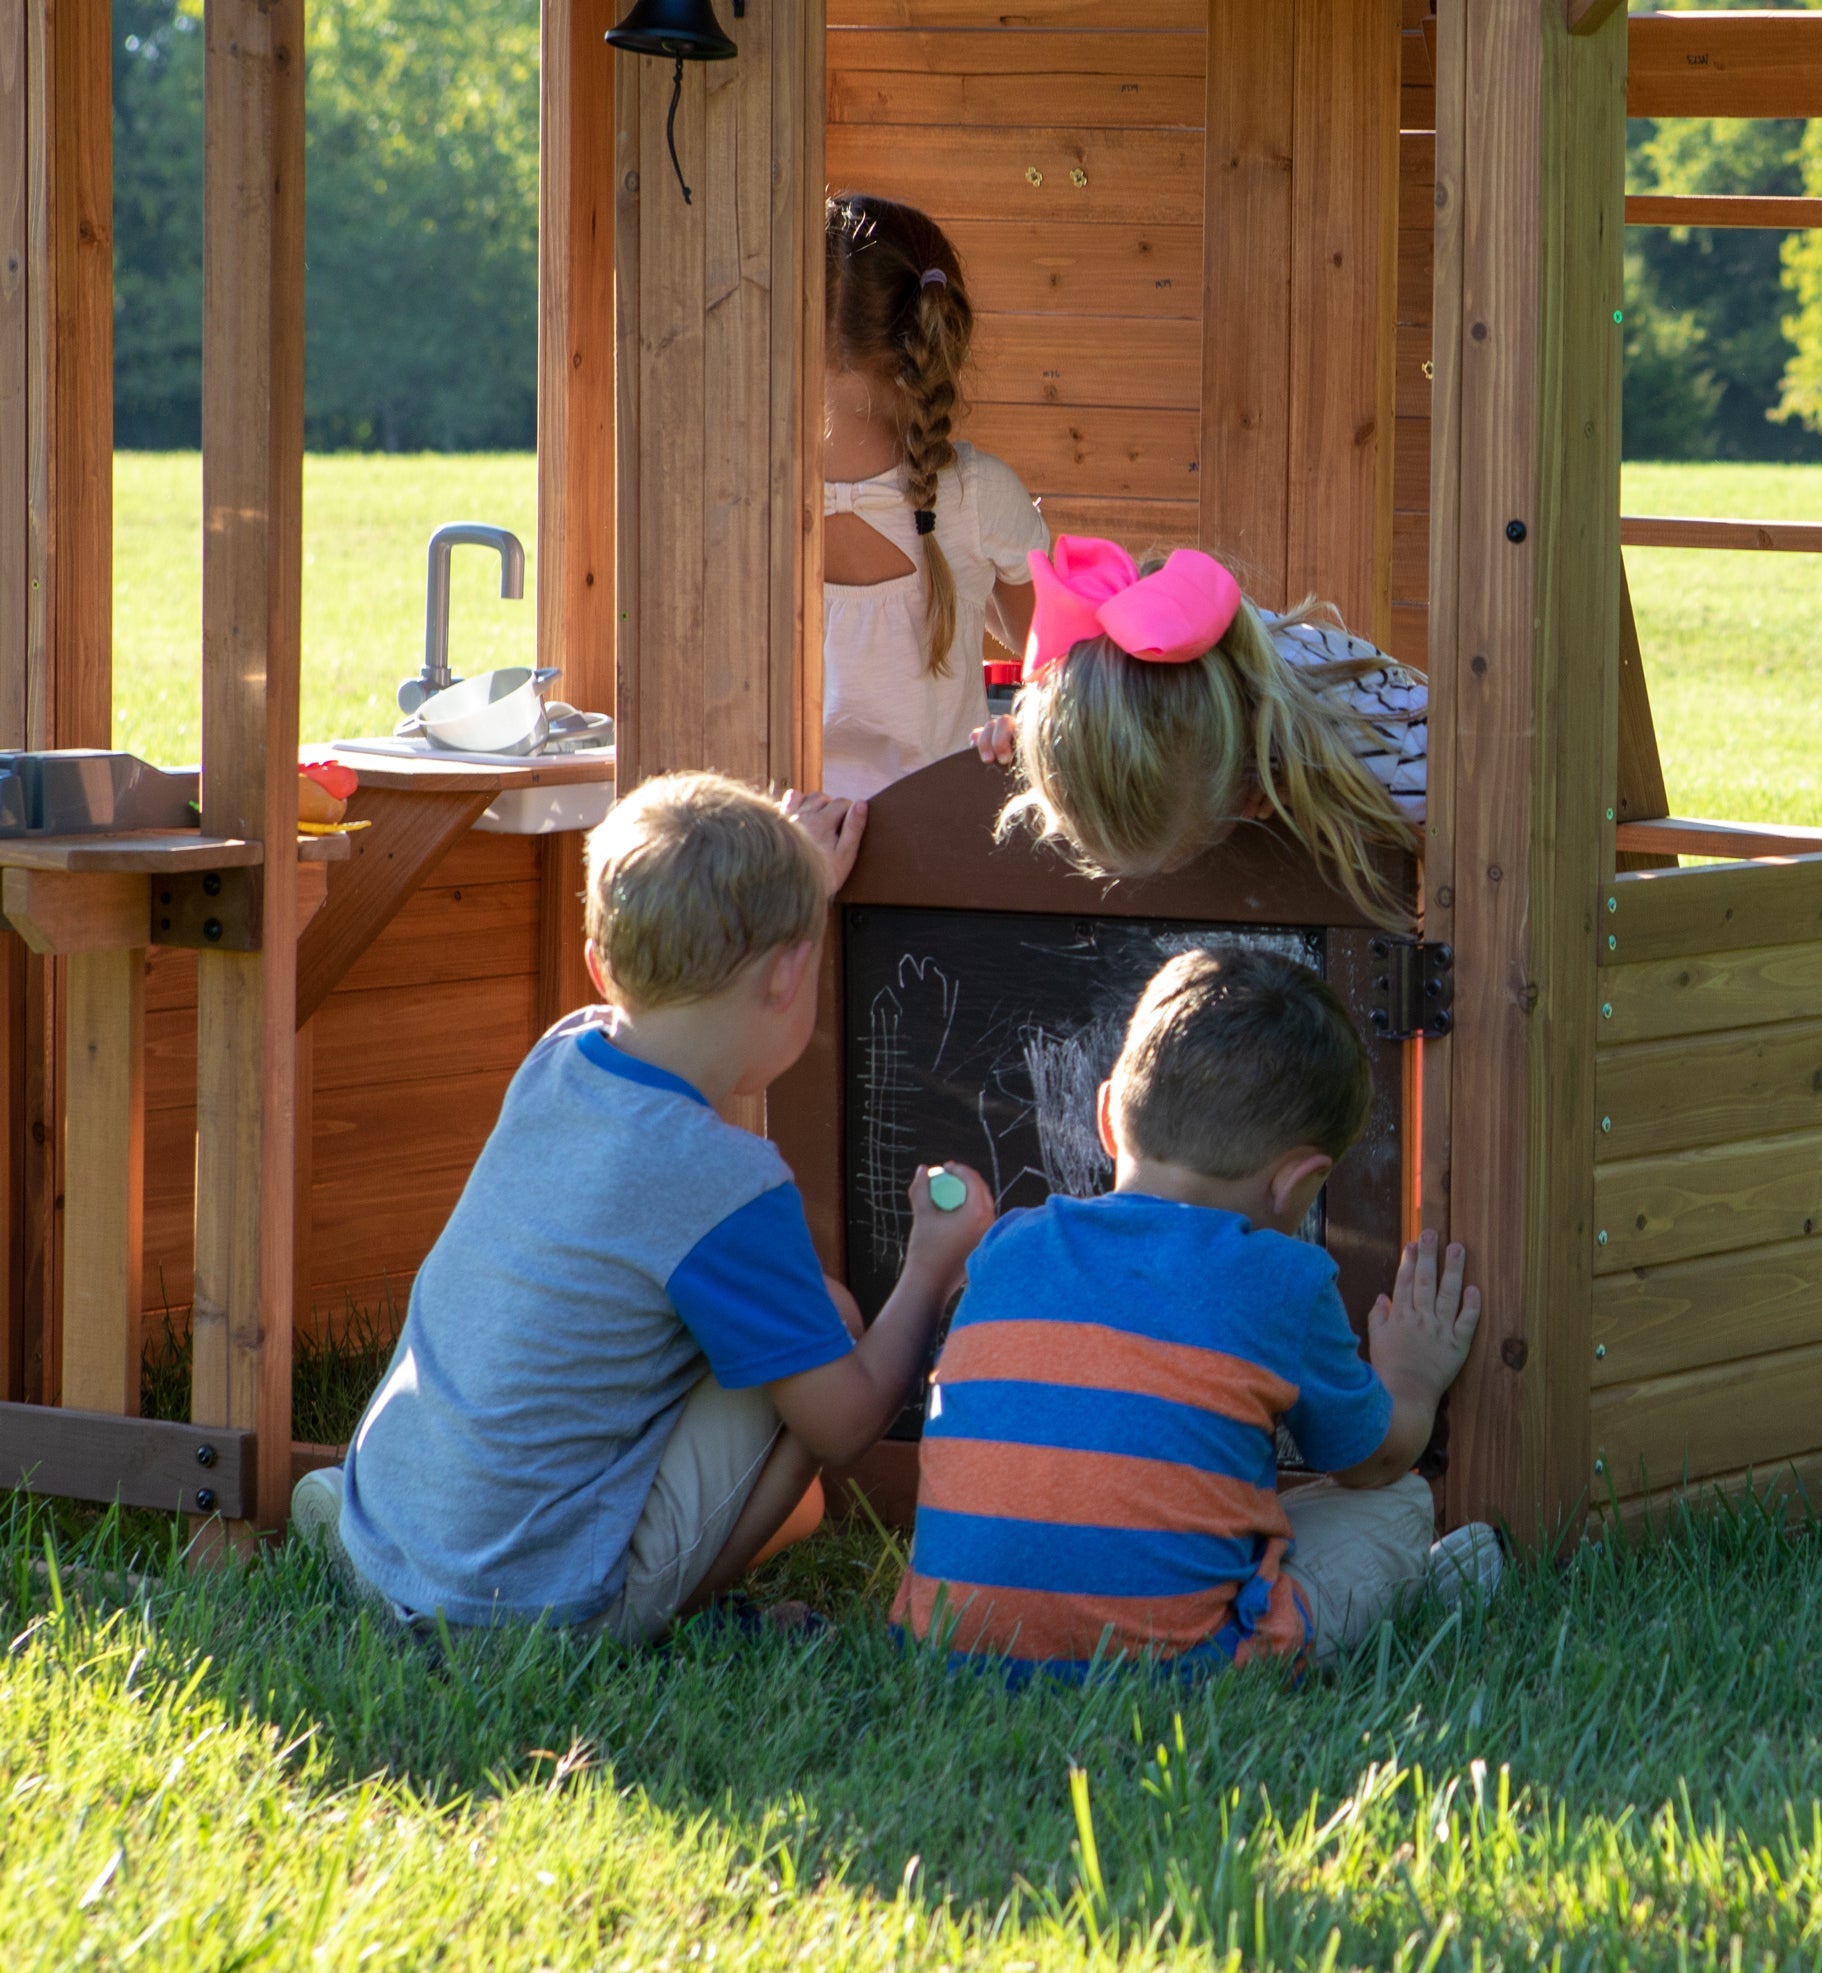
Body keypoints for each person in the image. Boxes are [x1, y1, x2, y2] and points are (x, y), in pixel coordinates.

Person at [293, 772, 995, 1639]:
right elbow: (846, 1421)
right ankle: (658, 1619)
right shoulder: (728, 1181)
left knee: (789, 1332)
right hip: (523, 1612)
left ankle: (379, 1544)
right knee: (836, 1326)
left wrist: (791, 885)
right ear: (788, 976)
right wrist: (931, 1264)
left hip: (392, 1530)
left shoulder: (560, 1058)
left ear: (599, 964)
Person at [892, 946, 1497, 1674]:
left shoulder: (1006, 1244)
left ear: (1109, 1117)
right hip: (1184, 1667)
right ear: (1299, 1182)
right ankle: (1430, 1588)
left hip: (946, 1645)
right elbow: (1375, 1462)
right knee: (1397, 1508)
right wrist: (1415, 1379)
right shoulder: (1283, 1278)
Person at [972, 535, 1427, 932]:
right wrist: (1038, 744)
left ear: (1250, 793)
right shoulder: (1157, 663)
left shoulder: (1395, 761)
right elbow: (1121, 716)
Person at [823, 192, 1050, 801]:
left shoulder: (748, 497)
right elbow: (1056, 670)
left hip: (779, 853)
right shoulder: (978, 495)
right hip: (930, 864)